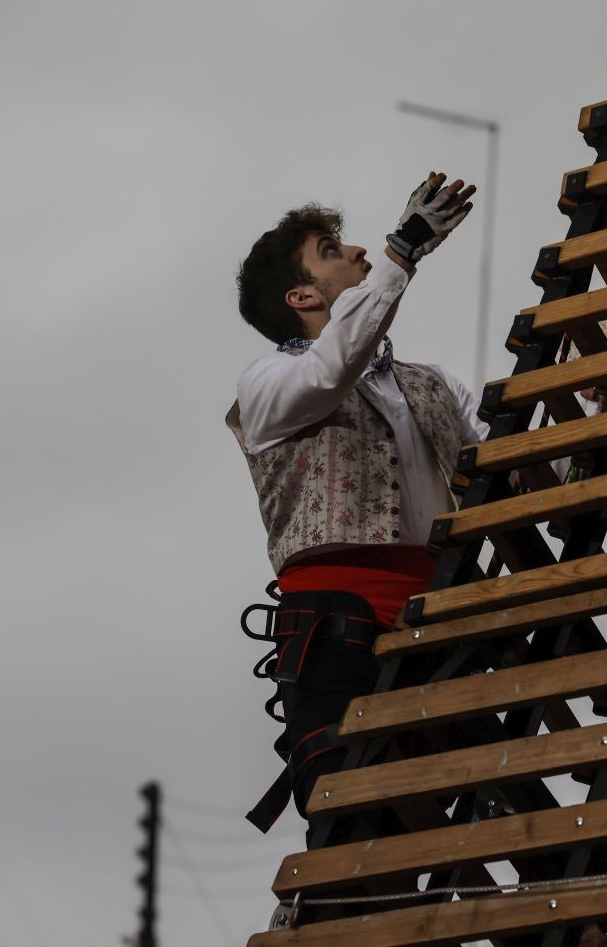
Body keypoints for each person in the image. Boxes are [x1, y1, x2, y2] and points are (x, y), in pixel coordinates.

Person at [227, 173, 483, 834]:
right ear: (304, 295)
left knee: (460, 816)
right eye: (333, 248)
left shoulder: (435, 384)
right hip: (338, 622)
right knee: (351, 820)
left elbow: (519, 466)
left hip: (443, 617)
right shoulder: (268, 381)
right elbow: (329, 368)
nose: (360, 253)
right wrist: (403, 254)